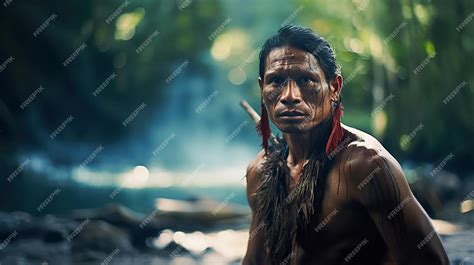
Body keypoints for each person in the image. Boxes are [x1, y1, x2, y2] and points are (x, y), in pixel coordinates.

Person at [242, 25, 449, 265]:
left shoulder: (366, 166)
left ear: (334, 88)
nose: (289, 95)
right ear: (262, 89)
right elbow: (256, 261)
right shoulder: (260, 171)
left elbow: (432, 262)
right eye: (276, 81)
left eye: (306, 79)